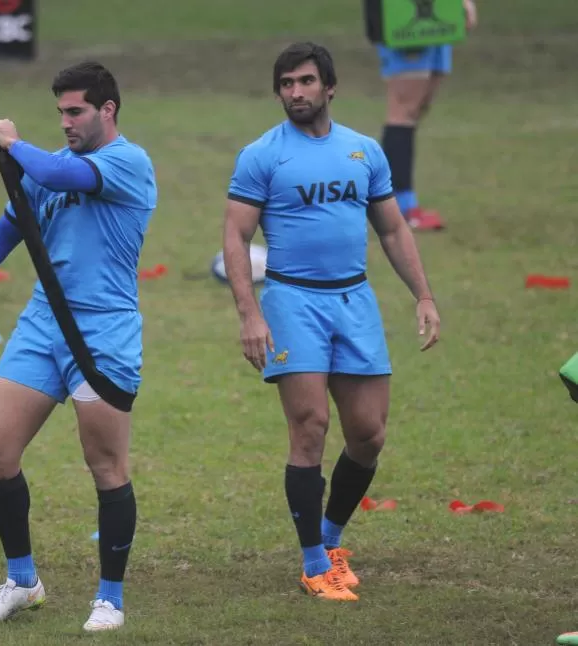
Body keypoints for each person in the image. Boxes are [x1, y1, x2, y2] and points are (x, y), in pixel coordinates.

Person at [0, 61, 156, 631]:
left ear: (107, 110)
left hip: (103, 332)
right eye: (60, 112)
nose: (66, 122)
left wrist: (15, 146)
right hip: (42, 327)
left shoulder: (126, 162)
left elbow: (64, 177)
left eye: (76, 112)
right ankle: (23, 580)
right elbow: (4, 233)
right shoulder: (47, 167)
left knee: (106, 466)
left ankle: (109, 598)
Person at [221, 42, 441, 601]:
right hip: (293, 302)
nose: (295, 92)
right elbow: (236, 236)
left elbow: (392, 229)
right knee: (311, 426)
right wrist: (249, 312)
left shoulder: (364, 152)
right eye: (286, 84)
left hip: (355, 301)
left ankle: (330, 535)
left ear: (330, 87)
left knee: (368, 434)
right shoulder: (262, 155)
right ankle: (315, 563)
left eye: (305, 81)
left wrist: (423, 294)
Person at [370, 0, 478, 230]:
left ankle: (401, 205)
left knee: (419, 106)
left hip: (439, 11)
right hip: (401, 12)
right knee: (403, 110)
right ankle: (399, 208)